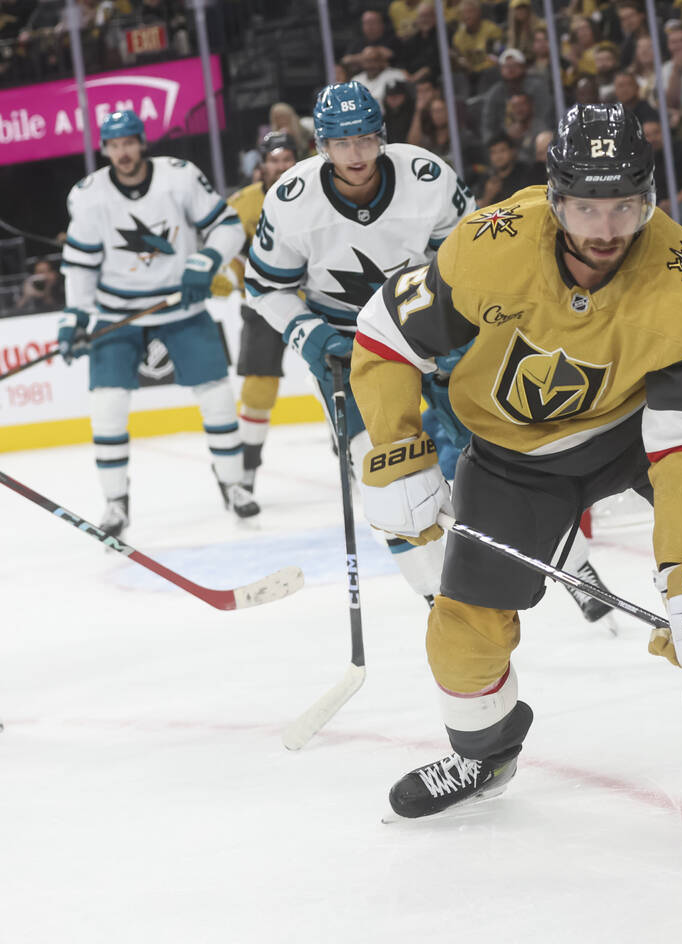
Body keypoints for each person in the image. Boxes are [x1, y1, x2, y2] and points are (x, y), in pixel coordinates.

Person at [351, 103, 682, 819]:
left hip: (641, 430)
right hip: (516, 456)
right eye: (587, 208)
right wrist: (396, 451)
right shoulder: (490, 246)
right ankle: (484, 754)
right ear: (556, 196)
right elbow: (385, 332)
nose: (606, 230)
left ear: (650, 198)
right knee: (461, 634)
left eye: (624, 206)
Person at [244, 82, 473, 601]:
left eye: (366, 139)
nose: (356, 154)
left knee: (486, 450)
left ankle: (558, 562)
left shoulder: (427, 177)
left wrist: (459, 324)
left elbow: (465, 259)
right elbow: (263, 286)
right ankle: (439, 598)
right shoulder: (291, 200)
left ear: (382, 137)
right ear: (321, 147)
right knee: (388, 480)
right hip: (346, 347)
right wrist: (309, 333)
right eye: (342, 143)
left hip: (425, 328)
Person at [58, 110, 256, 536]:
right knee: (107, 407)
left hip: (180, 306)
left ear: (141, 142)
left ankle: (233, 485)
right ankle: (115, 501)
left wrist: (205, 261)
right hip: (118, 314)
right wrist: (74, 318)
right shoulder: (90, 196)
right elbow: (79, 266)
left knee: (218, 396)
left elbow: (228, 227)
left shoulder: (180, 178)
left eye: (129, 142)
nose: (122, 152)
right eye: (114, 145)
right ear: (105, 149)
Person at [222, 130, 299, 493]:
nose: (281, 166)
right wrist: (221, 277)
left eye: (287, 159)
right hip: (264, 303)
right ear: (262, 165)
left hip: (318, 300)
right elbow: (224, 251)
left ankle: (347, 453)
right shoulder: (241, 205)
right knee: (257, 390)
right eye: (274, 160)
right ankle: (247, 468)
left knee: (336, 385)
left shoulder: (323, 195)